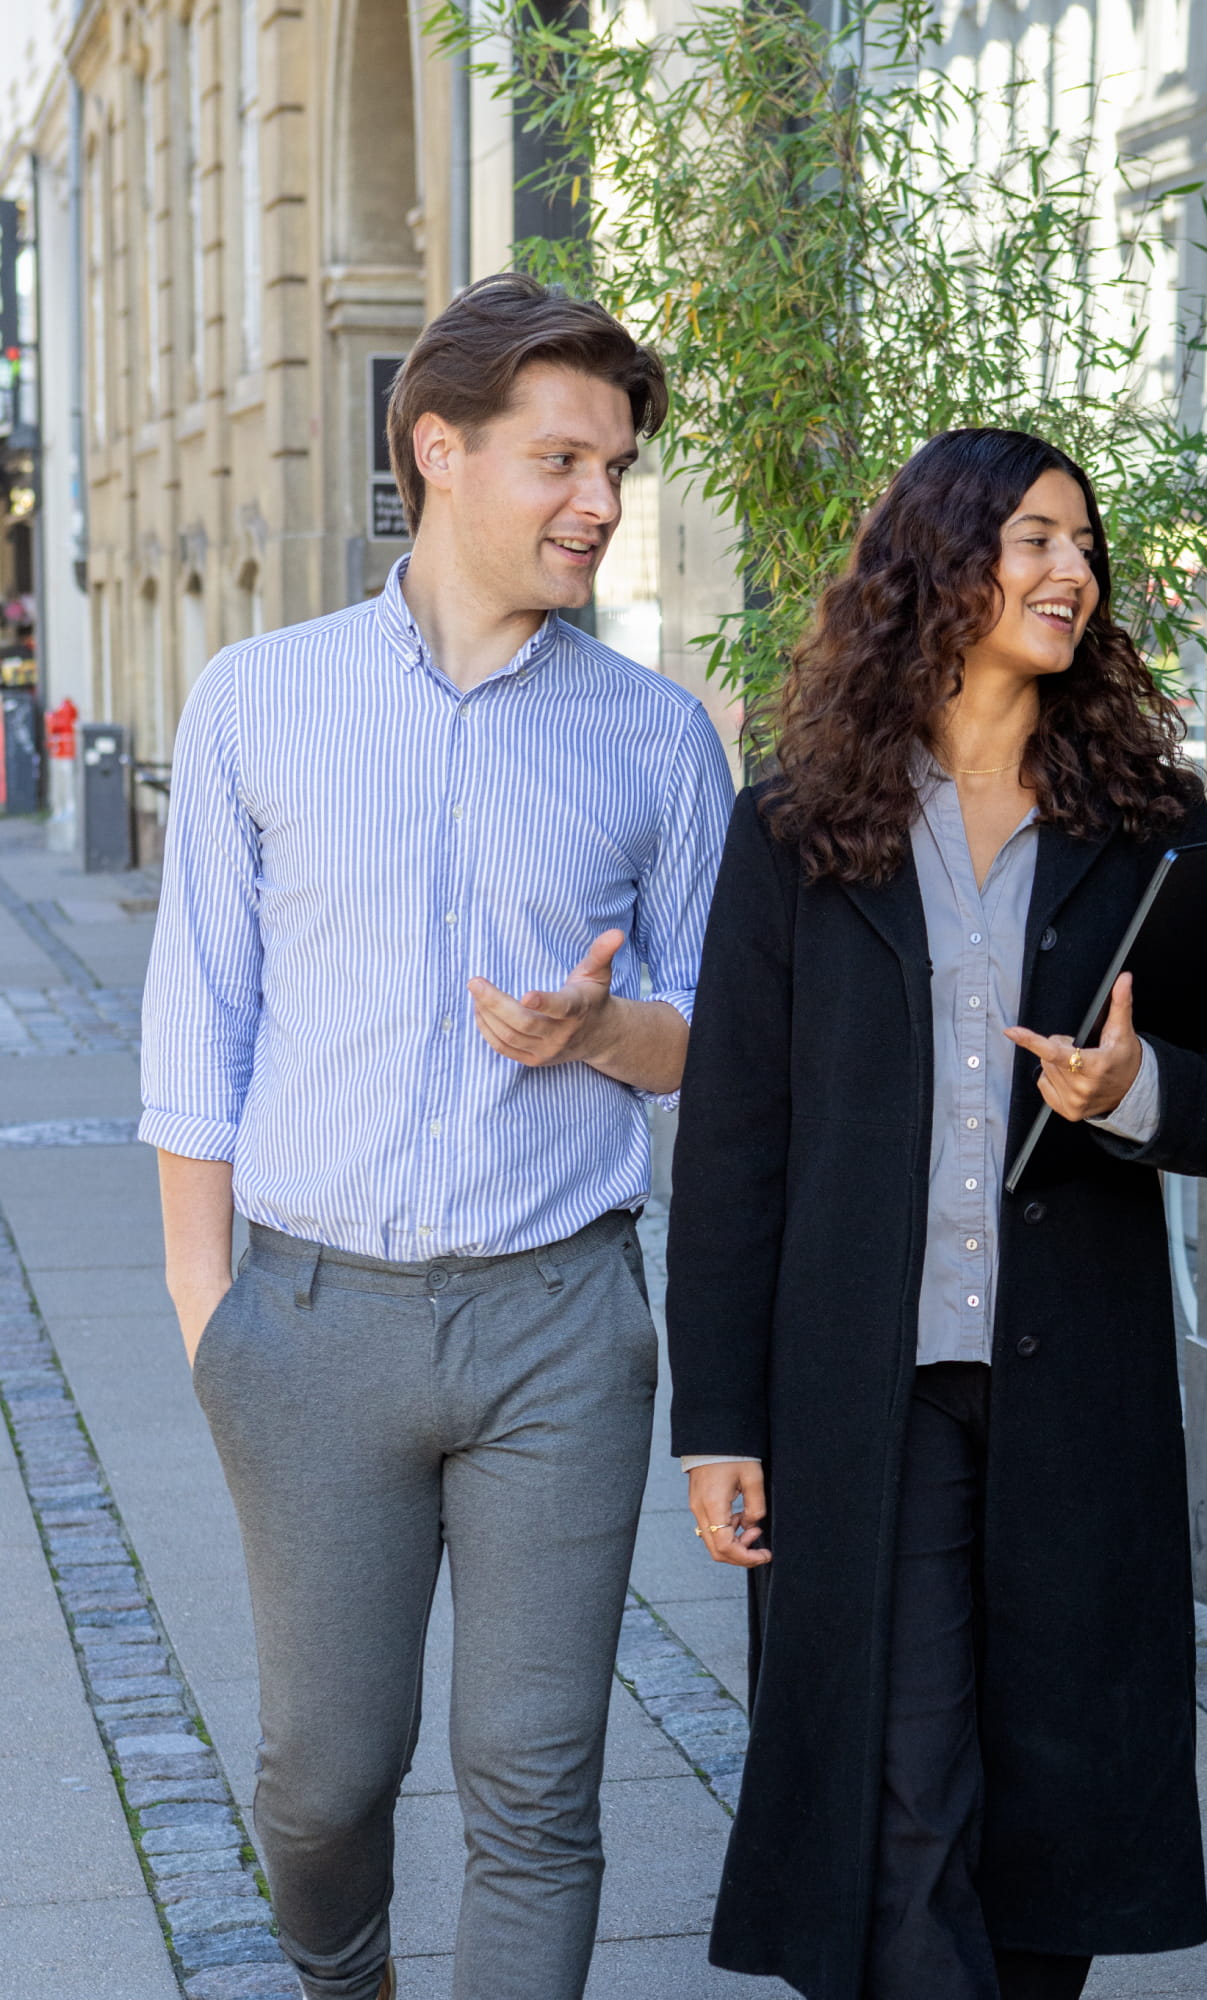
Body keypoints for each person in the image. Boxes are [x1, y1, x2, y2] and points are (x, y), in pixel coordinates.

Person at [140, 273, 733, 2000]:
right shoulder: (259, 698)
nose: (601, 503)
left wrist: (595, 1031)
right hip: (312, 1325)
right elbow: (198, 1030)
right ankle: (348, 1978)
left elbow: (702, 1039)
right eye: (563, 460)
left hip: (562, 1322)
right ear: (440, 453)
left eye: (616, 467)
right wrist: (210, 1326)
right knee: (322, 1780)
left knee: (536, 1784)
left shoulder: (656, 736)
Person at [665, 427, 1207, 2000]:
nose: (1072, 571)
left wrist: (1131, 1088)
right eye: (1035, 540)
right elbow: (736, 1146)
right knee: (900, 1786)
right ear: (940, 564)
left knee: (1053, 1797)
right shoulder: (795, 831)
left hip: (1076, 1386)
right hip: (867, 1393)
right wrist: (719, 1418)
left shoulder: (1151, 824)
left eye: (1085, 545)